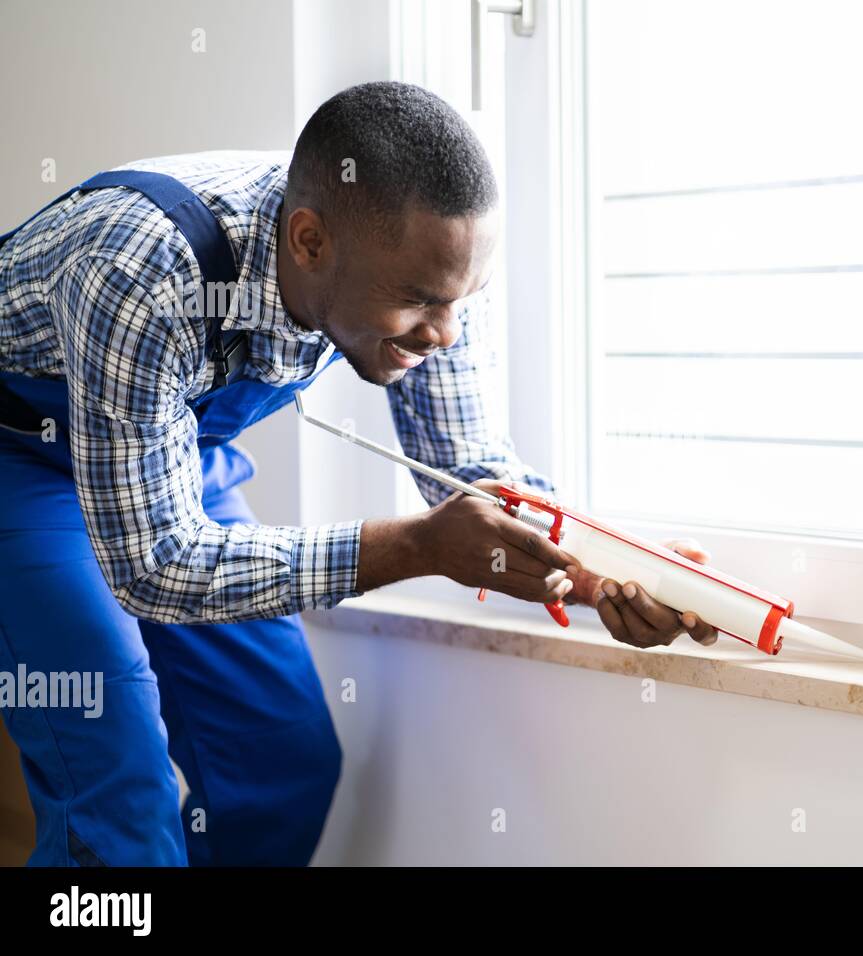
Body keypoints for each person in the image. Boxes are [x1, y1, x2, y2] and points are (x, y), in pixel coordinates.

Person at [0, 80, 715, 866]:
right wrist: (417, 548)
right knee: (116, 792)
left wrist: (610, 566)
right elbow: (156, 566)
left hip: (170, 455)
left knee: (279, 763)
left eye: (461, 301)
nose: (444, 333)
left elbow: (469, 475)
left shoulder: (416, 259)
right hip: (21, 462)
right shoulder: (141, 267)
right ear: (308, 243)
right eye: (418, 303)